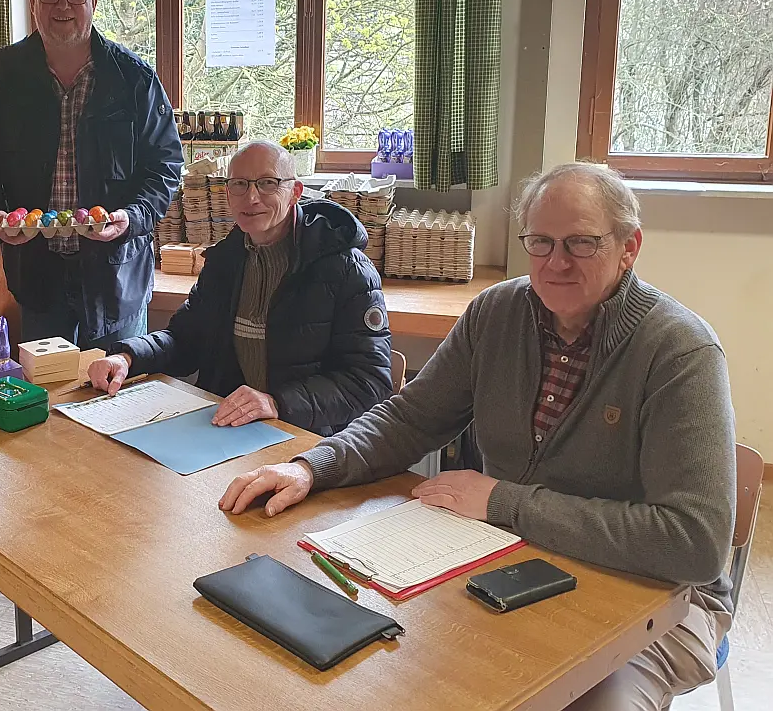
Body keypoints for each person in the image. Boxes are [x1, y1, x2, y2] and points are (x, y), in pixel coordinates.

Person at [220, 162, 736, 711]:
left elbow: (694, 543)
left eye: (581, 244)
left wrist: (504, 501)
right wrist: (312, 467)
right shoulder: (498, 312)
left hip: (658, 597)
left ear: (629, 247)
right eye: (540, 242)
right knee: (393, 674)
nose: (555, 263)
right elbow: (409, 418)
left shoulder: (679, 351)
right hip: (510, 558)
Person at [0, 0, 183, 350]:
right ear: (33, 1)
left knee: (119, 398)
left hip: (116, 278)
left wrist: (131, 217)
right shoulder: (5, 75)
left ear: (93, 1)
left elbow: (165, 167)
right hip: (38, 278)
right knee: (49, 399)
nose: (62, 5)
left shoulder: (133, 78)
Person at [87, 141, 392, 434]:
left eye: (268, 183)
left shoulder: (347, 270)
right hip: (226, 429)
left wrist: (276, 402)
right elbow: (185, 341)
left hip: (307, 442)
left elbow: (369, 382)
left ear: (295, 192)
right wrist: (127, 357)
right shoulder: (225, 260)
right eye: (240, 185)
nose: (252, 197)